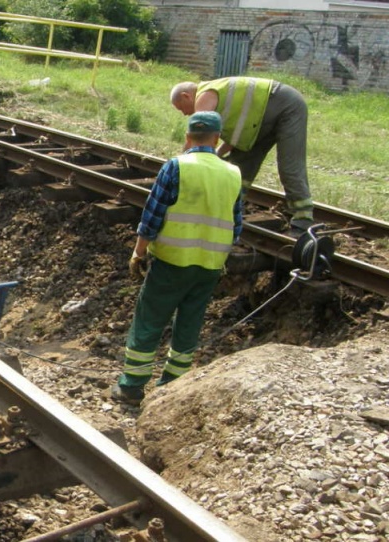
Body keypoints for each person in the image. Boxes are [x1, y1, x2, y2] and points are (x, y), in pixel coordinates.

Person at [111, 112, 243, 405]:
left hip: (172, 260)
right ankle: (173, 387)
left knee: (150, 320)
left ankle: (132, 387)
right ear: (217, 139)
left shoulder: (176, 166)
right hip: (210, 265)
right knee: (190, 323)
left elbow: (152, 217)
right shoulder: (233, 173)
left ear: (187, 137)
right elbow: (236, 225)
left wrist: (138, 252)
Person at [170, 77, 313, 234]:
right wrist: (216, 154)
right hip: (258, 122)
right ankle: (231, 209)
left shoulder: (205, 96)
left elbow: (199, 135)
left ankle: (303, 219)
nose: (184, 113)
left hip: (287, 106)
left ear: (186, 96)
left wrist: (179, 166)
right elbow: (235, 139)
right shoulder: (217, 97)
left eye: (180, 108)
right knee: (239, 166)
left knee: (289, 166)